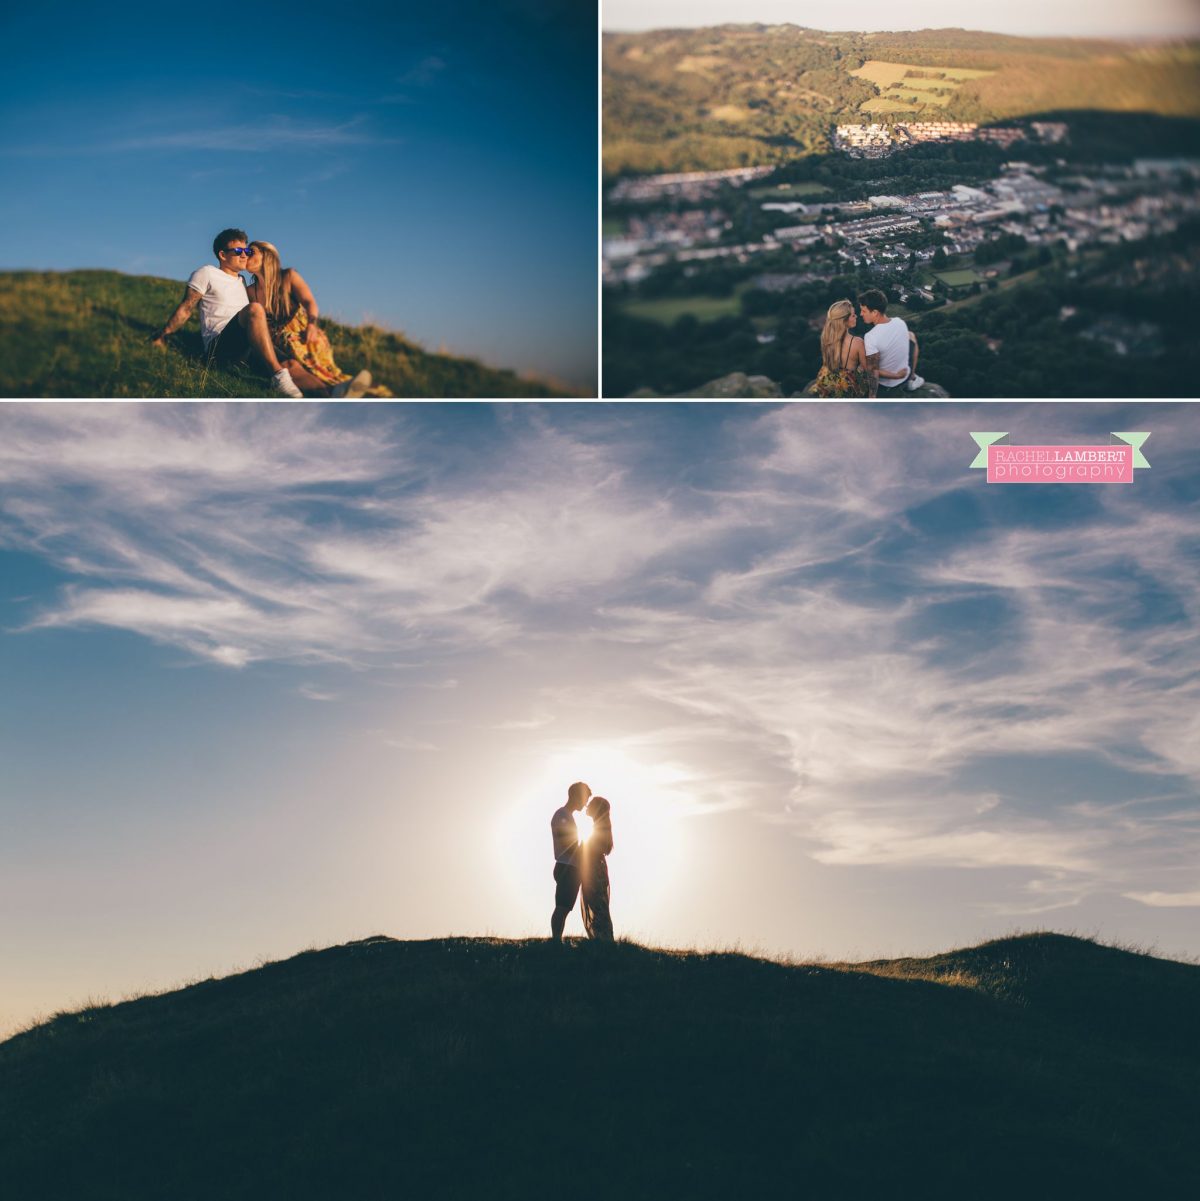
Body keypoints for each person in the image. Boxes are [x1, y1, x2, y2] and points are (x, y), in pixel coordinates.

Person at [151, 228, 304, 398]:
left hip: (245, 344)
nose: (245, 255)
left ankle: (329, 392)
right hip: (218, 349)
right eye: (238, 251)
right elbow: (187, 307)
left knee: (292, 365)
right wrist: (163, 334)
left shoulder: (242, 281)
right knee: (254, 310)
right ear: (223, 255)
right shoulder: (207, 273)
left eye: (246, 251)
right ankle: (278, 377)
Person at [244, 241, 375, 399]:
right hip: (275, 341)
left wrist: (312, 325)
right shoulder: (249, 291)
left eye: (250, 251)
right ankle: (335, 392)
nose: (244, 255)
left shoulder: (288, 276)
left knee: (314, 360)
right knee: (291, 365)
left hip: (301, 333)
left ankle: (337, 389)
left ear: (267, 255)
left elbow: (309, 302)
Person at [858, 289, 924, 393]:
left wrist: (896, 376)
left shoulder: (870, 336)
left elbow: (872, 371)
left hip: (888, 383)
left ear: (875, 312)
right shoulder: (900, 322)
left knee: (861, 365)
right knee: (911, 335)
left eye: (864, 311)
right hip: (905, 375)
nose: (861, 314)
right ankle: (912, 377)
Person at [550, 781, 590, 942]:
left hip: (571, 866)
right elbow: (565, 842)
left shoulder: (567, 816)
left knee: (565, 907)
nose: (585, 803)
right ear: (575, 795)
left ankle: (556, 940)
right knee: (562, 906)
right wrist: (585, 848)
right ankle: (556, 941)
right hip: (567, 866)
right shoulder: (562, 815)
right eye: (584, 798)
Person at [811, 298, 872, 397]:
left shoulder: (826, 337)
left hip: (827, 381)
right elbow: (867, 369)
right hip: (846, 386)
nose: (856, 316)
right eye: (853, 315)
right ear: (844, 320)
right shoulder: (857, 342)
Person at [580, 795, 614, 941]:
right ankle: (602, 940)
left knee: (598, 906)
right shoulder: (601, 827)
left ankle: (602, 940)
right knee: (598, 906)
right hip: (596, 869)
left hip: (594, 871)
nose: (588, 807)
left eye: (591, 805)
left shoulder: (599, 828)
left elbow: (590, 851)